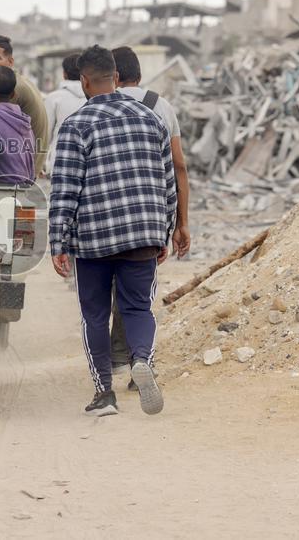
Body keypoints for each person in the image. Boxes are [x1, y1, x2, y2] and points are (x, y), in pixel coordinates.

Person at [49, 45, 175, 418]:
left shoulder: (76, 125)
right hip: (144, 233)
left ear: (84, 82)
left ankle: (105, 394)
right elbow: (169, 182)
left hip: (93, 240)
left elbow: (65, 188)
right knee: (138, 307)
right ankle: (141, 360)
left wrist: (58, 242)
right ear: (117, 78)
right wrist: (164, 232)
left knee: (95, 315)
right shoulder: (151, 119)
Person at [110, 46, 192, 379]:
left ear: (112, 77)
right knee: (139, 289)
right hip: (152, 212)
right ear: (140, 75)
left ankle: (116, 356)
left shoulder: (103, 107)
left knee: (113, 281)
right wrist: (181, 223)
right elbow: (179, 166)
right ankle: (139, 358)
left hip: (111, 210)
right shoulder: (162, 107)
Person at [0, 36, 49, 176]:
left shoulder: (11, 88)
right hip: (26, 163)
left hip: (21, 171)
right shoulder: (17, 81)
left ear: (10, 62)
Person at [42, 53, 86, 176]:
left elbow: (46, 136)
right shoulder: (93, 97)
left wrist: (41, 164)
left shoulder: (53, 98)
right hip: (87, 164)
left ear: (64, 74)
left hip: (59, 163)